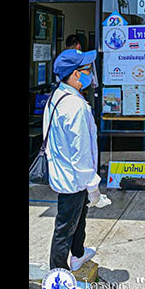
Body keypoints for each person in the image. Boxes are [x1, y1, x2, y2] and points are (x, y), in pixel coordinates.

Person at [45, 48, 101, 277]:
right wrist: (92, 185)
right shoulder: (75, 106)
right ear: (76, 74)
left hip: (67, 173)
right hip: (73, 178)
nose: (90, 73)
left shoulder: (57, 96)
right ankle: (58, 276)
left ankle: (78, 254)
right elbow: (81, 151)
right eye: (87, 69)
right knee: (65, 228)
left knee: (78, 219)